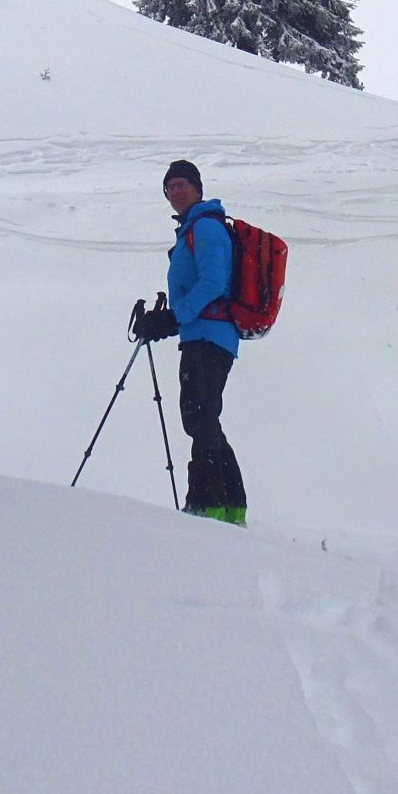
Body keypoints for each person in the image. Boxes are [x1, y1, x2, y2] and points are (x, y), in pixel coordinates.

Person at [146, 159, 247, 526]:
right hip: (204, 334)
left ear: (197, 188)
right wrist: (169, 321)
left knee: (199, 416)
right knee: (204, 417)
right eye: (170, 187)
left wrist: (175, 316)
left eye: (182, 184)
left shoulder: (204, 226)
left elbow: (213, 282)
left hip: (209, 336)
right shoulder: (194, 227)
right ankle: (231, 506)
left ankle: (207, 504)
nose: (175, 191)